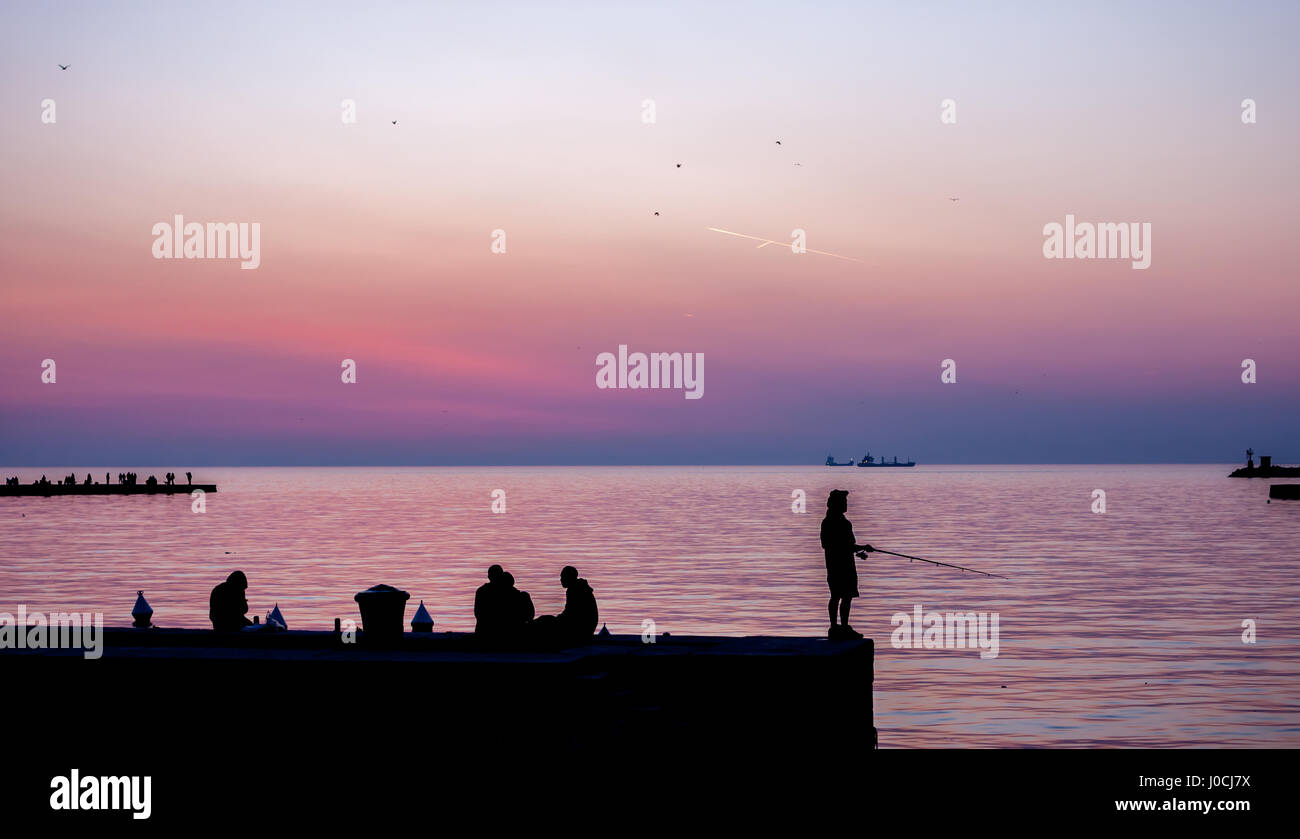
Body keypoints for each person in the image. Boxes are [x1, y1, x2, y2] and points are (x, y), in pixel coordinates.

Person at [820, 489, 873, 640]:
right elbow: (840, 545)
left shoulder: (829, 522)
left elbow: (843, 545)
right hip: (842, 566)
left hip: (835, 565)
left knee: (837, 596)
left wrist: (859, 549)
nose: (846, 504)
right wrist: (862, 547)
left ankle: (837, 627)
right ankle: (840, 627)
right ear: (837, 504)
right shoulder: (839, 523)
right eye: (843, 502)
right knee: (843, 596)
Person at [531, 566, 598, 645]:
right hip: (584, 626)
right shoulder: (578, 587)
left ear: (569, 577)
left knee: (545, 621)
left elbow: (571, 614)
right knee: (546, 619)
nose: (561, 580)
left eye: (562, 577)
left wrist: (556, 620)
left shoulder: (575, 590)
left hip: (582, 628)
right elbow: (570, 613)